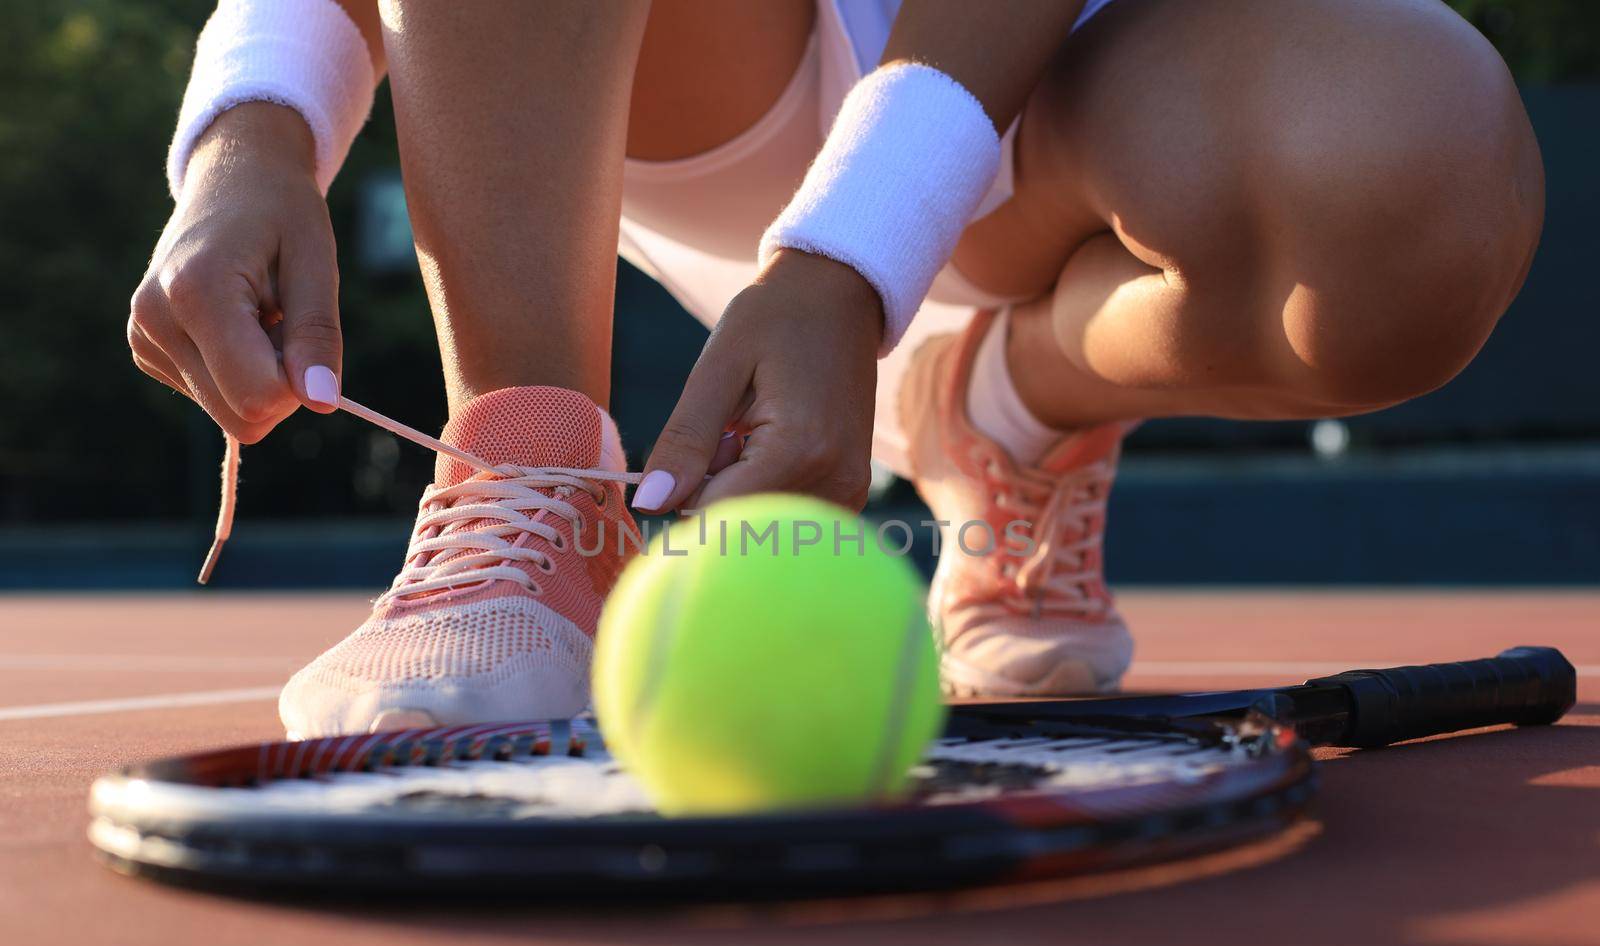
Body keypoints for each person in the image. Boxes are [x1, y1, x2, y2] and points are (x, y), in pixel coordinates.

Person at [127, 0, 1543, 739]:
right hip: (705, 71)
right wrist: (255, 124)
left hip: (1069, 70)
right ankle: (533, 483)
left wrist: (851, 265)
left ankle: (1003, 405)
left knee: (1420, 167)